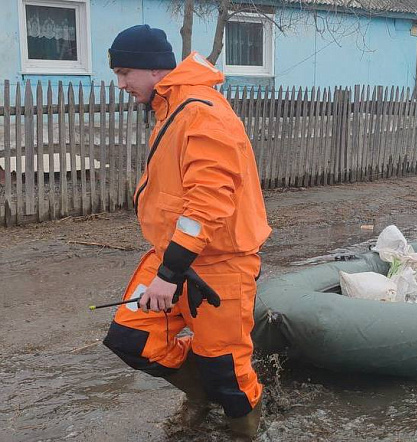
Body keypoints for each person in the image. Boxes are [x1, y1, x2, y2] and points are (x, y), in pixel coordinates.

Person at [101, 25, 271, 441]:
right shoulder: (170, 108)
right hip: (174, 256)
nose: (120, 84)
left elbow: (209, 202)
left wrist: (169, 274)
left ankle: (244, 426)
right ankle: (206, 396)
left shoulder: (200, 111)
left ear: (156, 69)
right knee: (131, 337)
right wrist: (169, 265)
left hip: (218, 264)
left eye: (125, 72)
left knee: (225, 367)